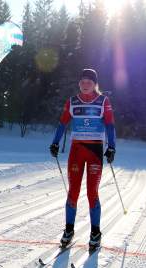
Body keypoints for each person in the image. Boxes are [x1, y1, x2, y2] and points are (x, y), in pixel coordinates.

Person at [49, 68, 116, 250]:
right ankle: (69, 230)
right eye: (83, 81)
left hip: (94, 151)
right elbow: (62, 123)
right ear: (79, 83)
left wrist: (112, 147)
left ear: (95, 84)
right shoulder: (72, 102)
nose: (85, 84)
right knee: (73, 192)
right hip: (76, 151)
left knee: (92, 192)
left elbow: (110, 125)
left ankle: (95, 232)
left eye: (89, 81)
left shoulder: (103, 101)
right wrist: (55, 143)